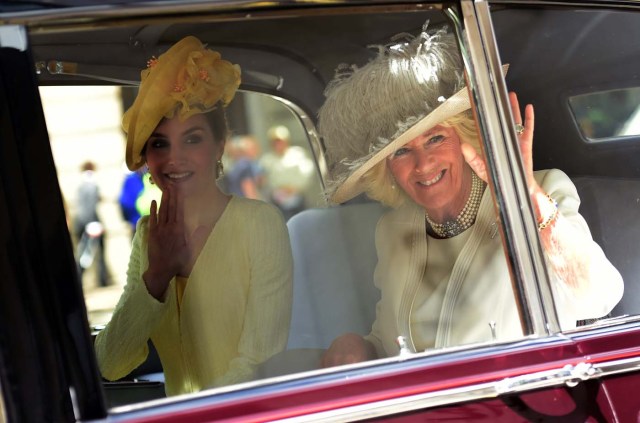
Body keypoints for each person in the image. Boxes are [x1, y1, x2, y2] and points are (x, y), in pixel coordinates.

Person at [317, 26, 623, 367]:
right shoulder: (392, 228)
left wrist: (527, 198)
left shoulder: (543, 190)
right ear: (386, 170)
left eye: (435, 139)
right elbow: (393, 340)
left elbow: (600, 297)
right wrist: (357, 346)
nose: (423, 164)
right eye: (401, 151)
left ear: (465, 137)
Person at [94, 36, 293, 395]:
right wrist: (157, 275)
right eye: (159, 143)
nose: (174, 159)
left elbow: (258, 363)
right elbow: (111, 363)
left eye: (193, 139)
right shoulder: (146, 234)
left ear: (219, 145)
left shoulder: (260, 223)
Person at [259, 125, 315, 220]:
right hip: (277, 200)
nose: (278, 144)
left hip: (297, 197)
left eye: (280, 141)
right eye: (275, 142)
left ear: (286, 141)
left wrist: (294, 188)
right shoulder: (266, 160)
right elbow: (263, 180)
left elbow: (307, 172)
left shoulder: (297, 154)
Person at [73, 160, 109, 287]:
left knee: (85, 253)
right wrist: (92, 224)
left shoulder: (81, 185)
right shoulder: (91, 184)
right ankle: (101, 280)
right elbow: (90, 207)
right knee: (88, 254)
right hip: (91, 223)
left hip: (81, 222)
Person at [222, 134, 264, 199]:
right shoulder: (245, 165)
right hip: (246, 202)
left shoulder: (233, 165)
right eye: (252, 148)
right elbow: (248, 187)